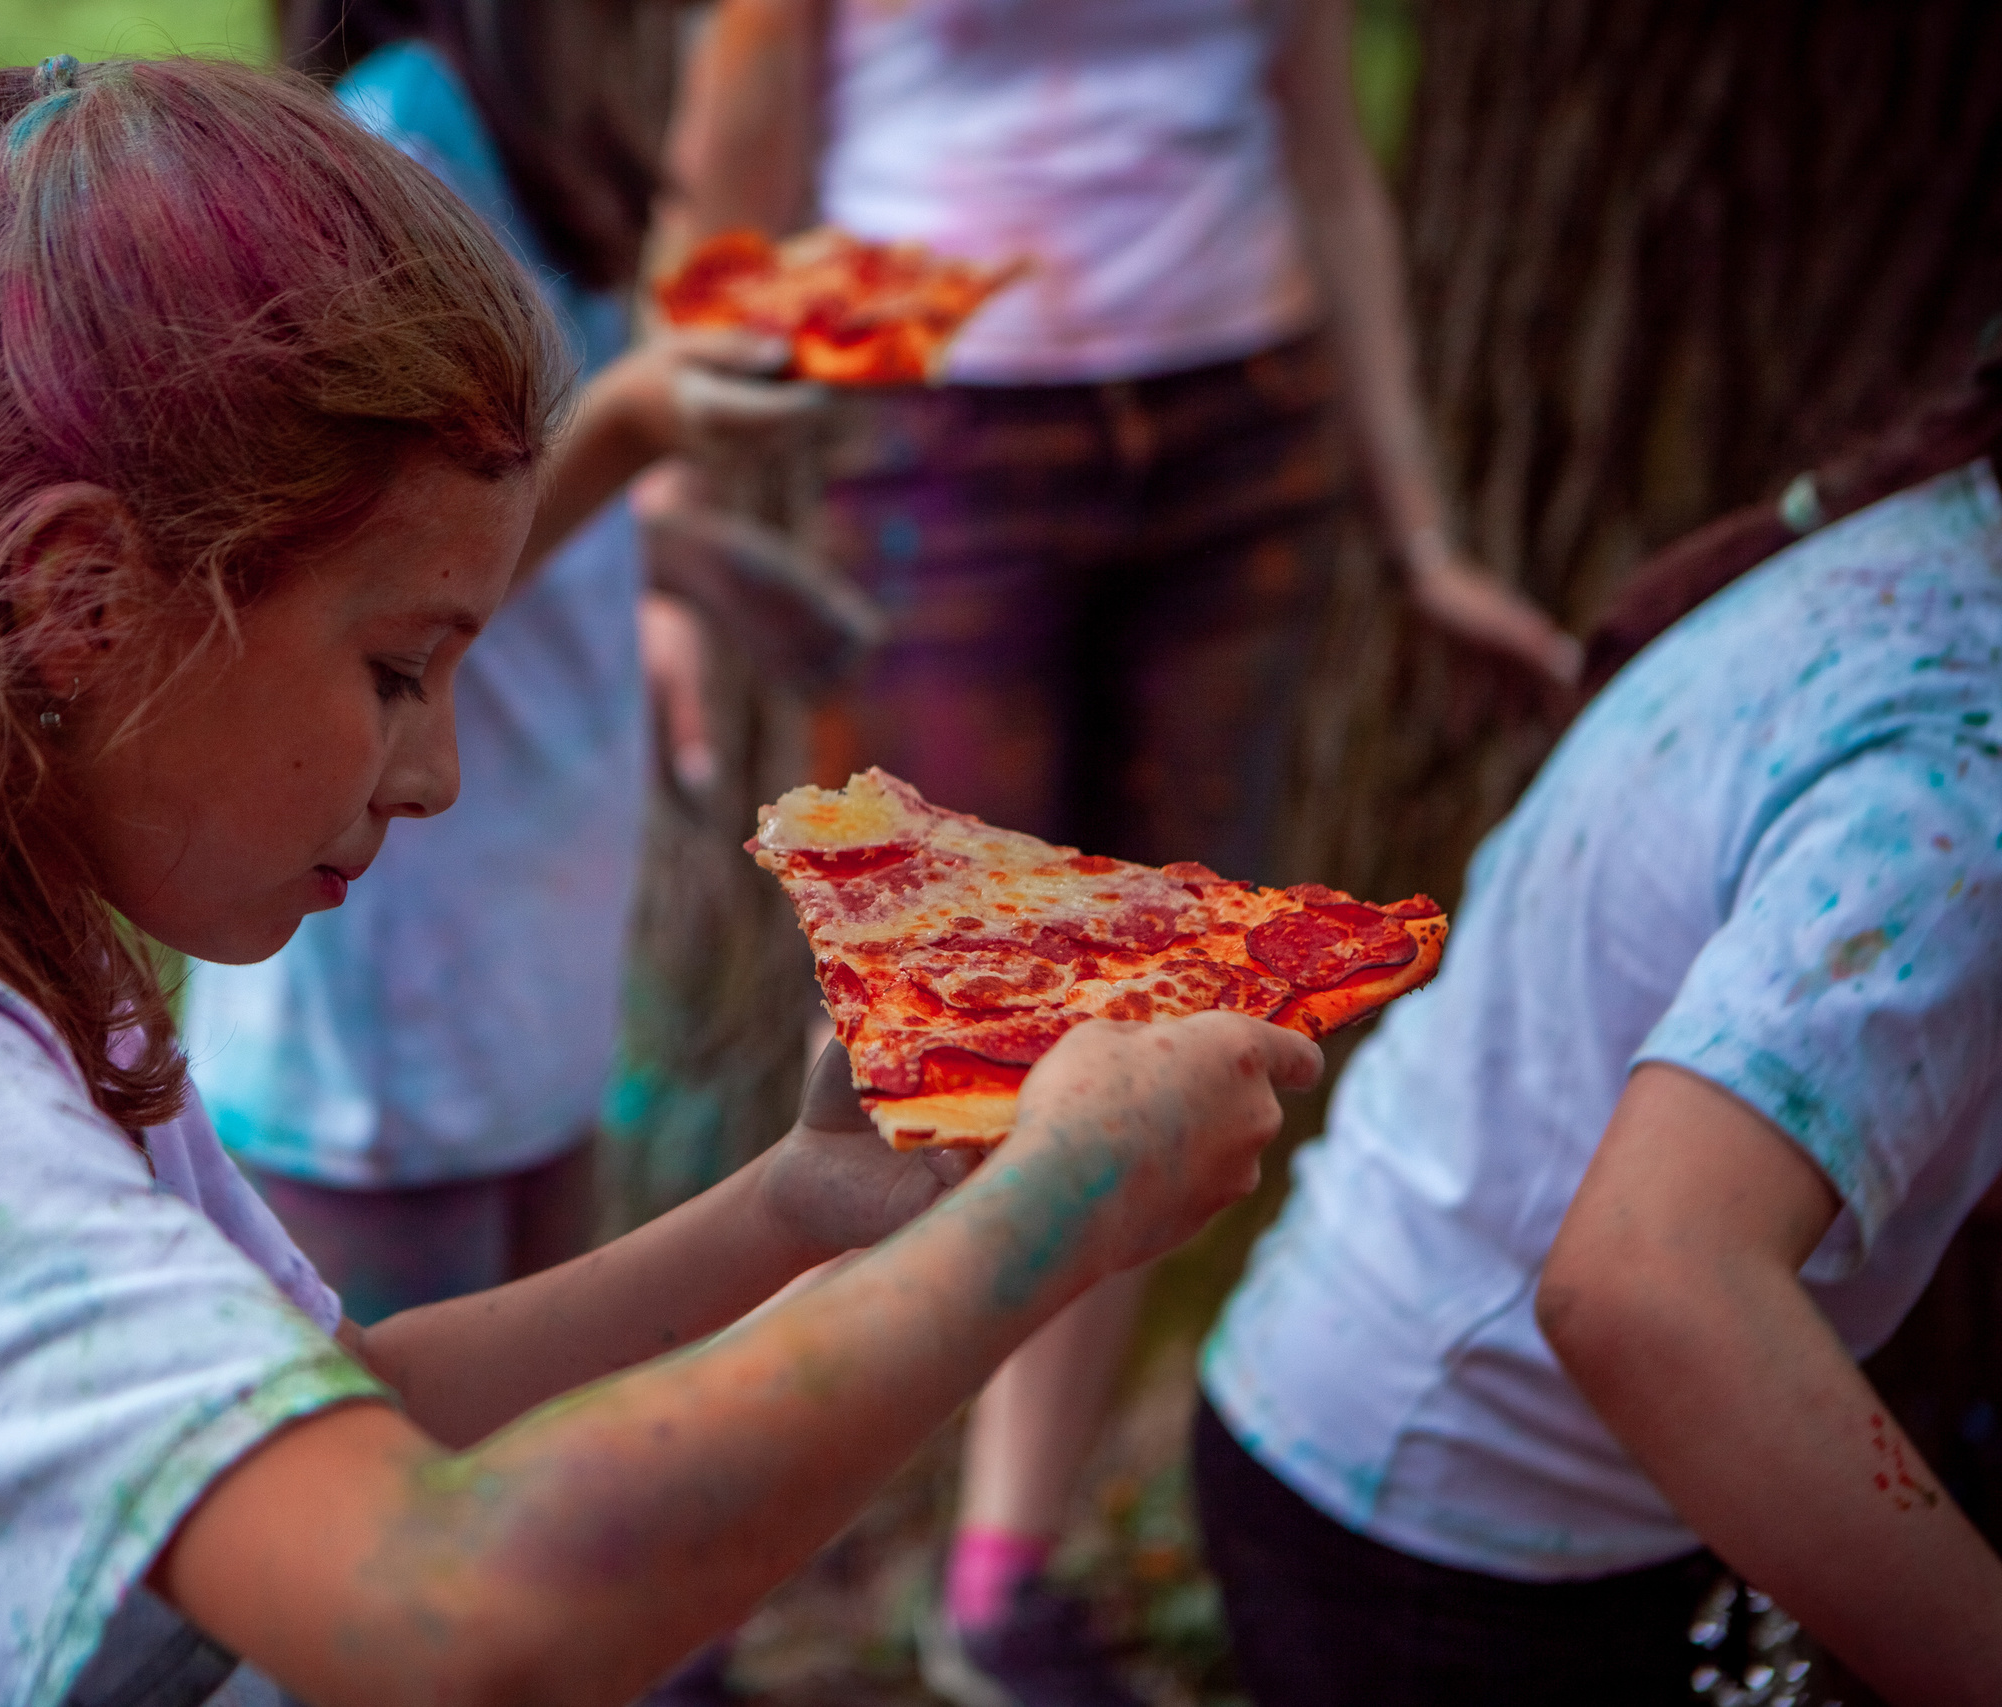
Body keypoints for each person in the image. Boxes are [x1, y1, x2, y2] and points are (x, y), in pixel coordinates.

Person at [0, 57, 1322, 1707]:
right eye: (395, 669)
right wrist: (1048, 1226)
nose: (435, 770)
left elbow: (341, 1402)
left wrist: (795, 1211)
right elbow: (457, 1618)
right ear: (74, 599)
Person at [660, 2, 1578, 1699]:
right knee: (917, 1027)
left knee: (1159, 1006)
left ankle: (998, 1582)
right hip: (937, 430)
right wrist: (668, 528)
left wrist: (1424, 530)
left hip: (1247, 424)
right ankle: (701, 1550)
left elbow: (1324, 150)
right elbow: (731, 185)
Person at [1195, 416, 2002, 1701]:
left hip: (1408, 1421)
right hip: (1447, 1531)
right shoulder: (1955, 776)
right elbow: (1646, 1286)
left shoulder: (1930, 556)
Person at [188, 0, 811, 1323]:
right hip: (395, 983)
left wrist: (685, 571)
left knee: (538, 1406)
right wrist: (637, 423)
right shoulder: (392, 163)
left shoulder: (517, 144)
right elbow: (379, 573)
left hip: (528, 943)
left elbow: (512, 524)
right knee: (407, 1442)